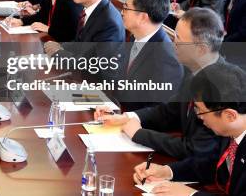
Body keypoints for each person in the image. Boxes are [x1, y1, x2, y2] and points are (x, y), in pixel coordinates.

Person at [96, 8, 228, 160]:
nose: (173, 43)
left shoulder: (219, 86)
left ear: (201, 49)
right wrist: (128, 117)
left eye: (179, 39)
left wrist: (139, 134)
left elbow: (194, 148)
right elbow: (168, 112)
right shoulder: (195, 71)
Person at [132, 63, 246, 196]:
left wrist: (191, 195)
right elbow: (211, 164)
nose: (198, 116)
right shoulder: (231, 130)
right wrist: (167, 171)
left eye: (200, 110)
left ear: (230, 115)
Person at [44, 0, 125, 81]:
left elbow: (94, 65)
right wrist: (60, 45)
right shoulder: (92, 9)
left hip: (98, 86)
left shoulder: (109, 21)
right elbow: (81, 44)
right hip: (81, 77)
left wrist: (58, 53)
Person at [115, 0, 183, 110]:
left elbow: (157, 111)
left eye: (126, 7)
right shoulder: (135, 36)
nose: (122, 12)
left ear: (142, 17)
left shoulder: (167, 58)